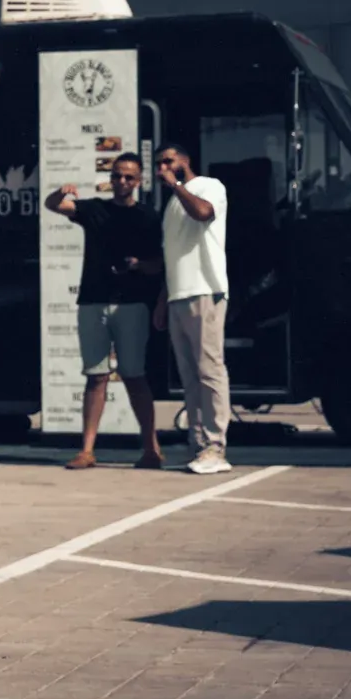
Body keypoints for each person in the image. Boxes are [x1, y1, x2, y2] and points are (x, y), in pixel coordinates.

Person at [46, 153, 161, 470]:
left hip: (132, 304)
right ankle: (87, 450)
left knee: (135, 376)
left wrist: (138, 265)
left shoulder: (149, 218)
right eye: (118, 176)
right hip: (93, 301)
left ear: (138, 181)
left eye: (129, 177)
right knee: (95, 377)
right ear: (110, 178)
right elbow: (53, 205)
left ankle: (151, 448)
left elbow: (158, 266)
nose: (122, 182)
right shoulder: (95, 209)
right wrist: (61, 192)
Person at [153, 142, 232, 474]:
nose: (162, 169)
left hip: (205, 291)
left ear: (185, 161)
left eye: (169, 162)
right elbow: (173, 257)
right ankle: (199, 446)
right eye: (159, 164)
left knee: (209, 370)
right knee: (190, 377)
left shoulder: (209, 187)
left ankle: (216, 447)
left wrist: (176, 184)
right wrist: (162, 301)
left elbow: (203, 214)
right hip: (178, 296)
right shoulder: (171, 204)